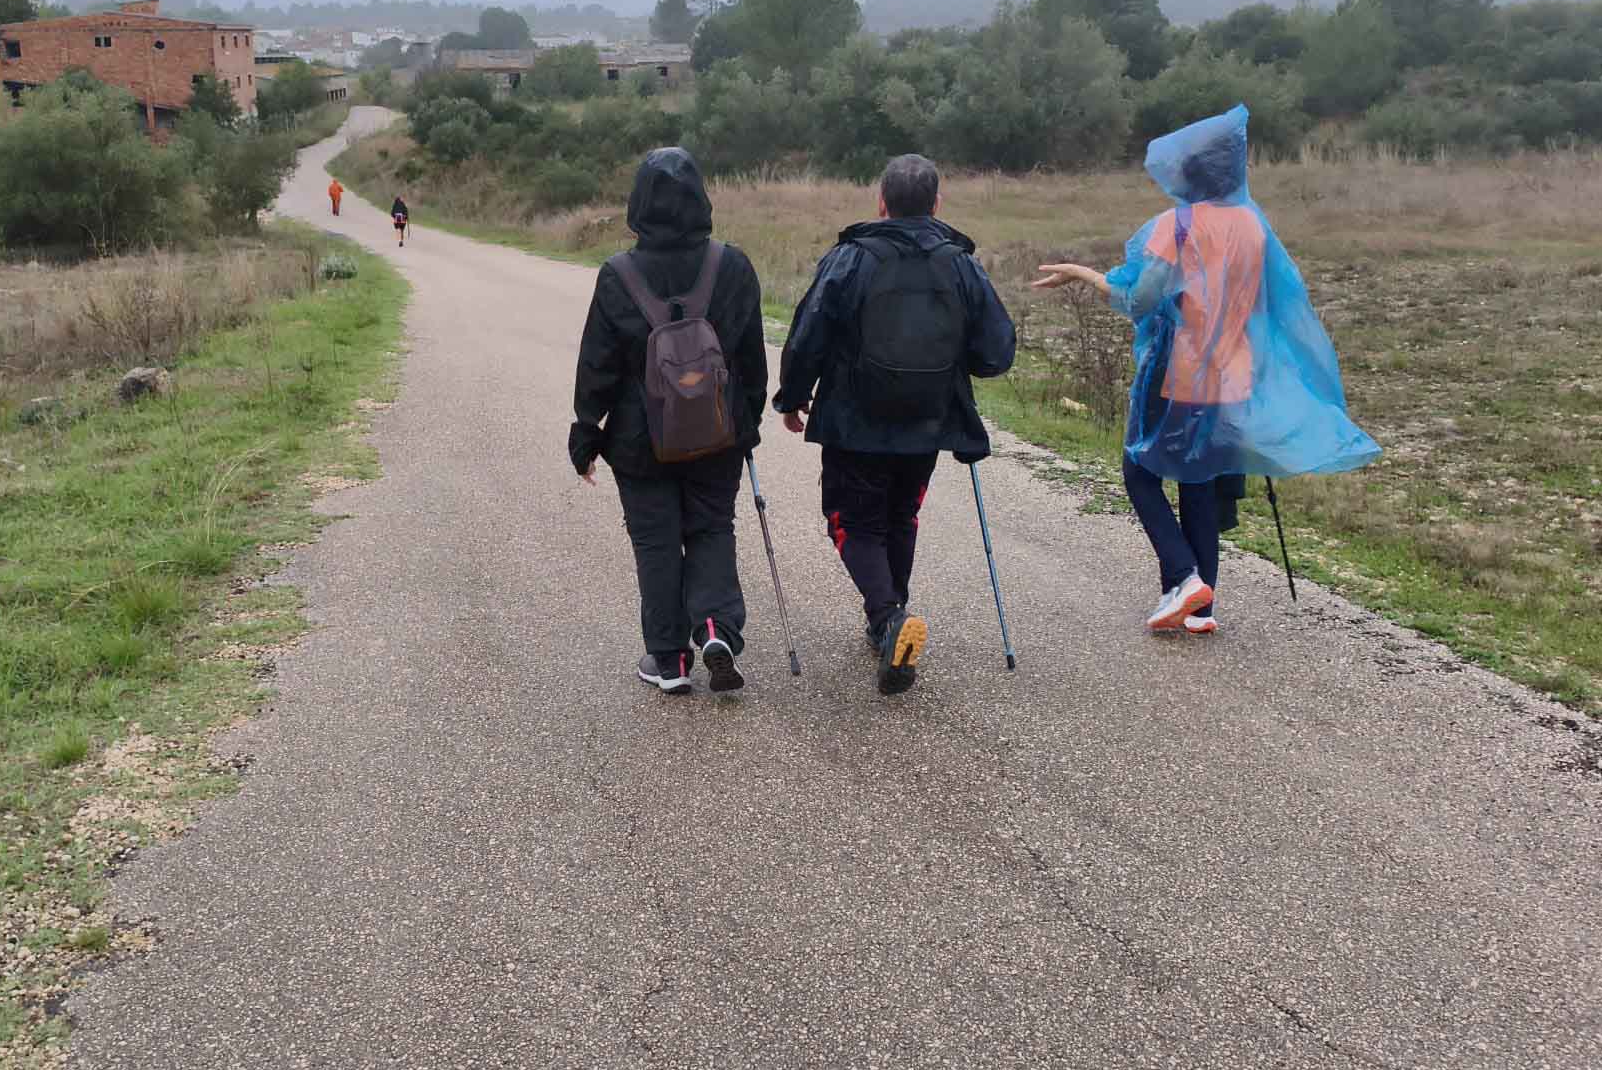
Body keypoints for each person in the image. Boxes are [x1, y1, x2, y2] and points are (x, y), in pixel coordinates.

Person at [1032, 104, 1379, 634]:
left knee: (1139, 471)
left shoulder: (1177, 225)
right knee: (1200, 481)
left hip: (1179, 374)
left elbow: (1137, 299)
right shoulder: (1253, 226)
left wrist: (1081, 273)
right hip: (1233, 375)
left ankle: (1182, 575)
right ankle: (1202, 610)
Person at [773, 153, 1015, 694]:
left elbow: (809, 331)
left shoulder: (851, 258)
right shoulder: (961, 264)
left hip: (854, 417)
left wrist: (792, 397)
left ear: (881, 202)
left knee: (851, 521)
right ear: (936, 203)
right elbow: (997, 352)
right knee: (901, 515)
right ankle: (889, 617)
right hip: (929, 419)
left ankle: (887, 618)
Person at [571, 147, 767, 694]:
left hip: (640, 441)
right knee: (711, 527)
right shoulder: (733, 265)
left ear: (638, 203)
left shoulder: (618, 275)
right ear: (701, 198)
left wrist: (586, 434)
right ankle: (714, 625)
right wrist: (746, 420)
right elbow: (751, 355)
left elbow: (597, 365)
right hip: (717, 432)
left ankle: (670, 659)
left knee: (655, 541)